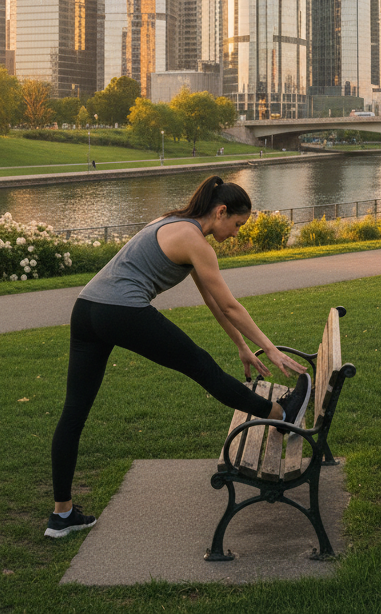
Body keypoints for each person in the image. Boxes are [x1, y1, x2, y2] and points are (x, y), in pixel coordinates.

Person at [45, 176, 311, 540]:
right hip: (122, 310)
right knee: (201, 366)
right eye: (236, 224)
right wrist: (272, 348)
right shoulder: (194, 241)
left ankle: (61, 516)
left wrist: (241, 345)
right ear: (220, 212)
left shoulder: (171, 223)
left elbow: (214, 301)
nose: (235, 233)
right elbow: (231, 304)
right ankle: (282, 415)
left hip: (87, 309)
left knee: (73, 412)